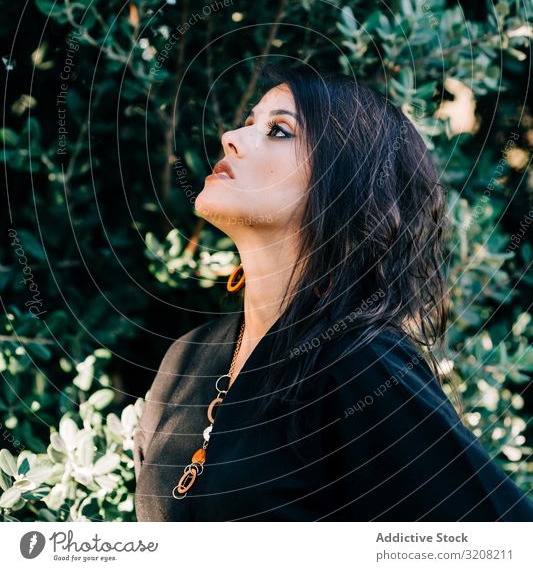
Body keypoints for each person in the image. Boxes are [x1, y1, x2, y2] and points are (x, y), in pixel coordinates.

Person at [134, 63, 533, 521]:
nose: (230, 137)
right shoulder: (188, 358)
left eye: (278, 130)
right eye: (248, 123)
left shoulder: (357, 363)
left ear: (341, 183)